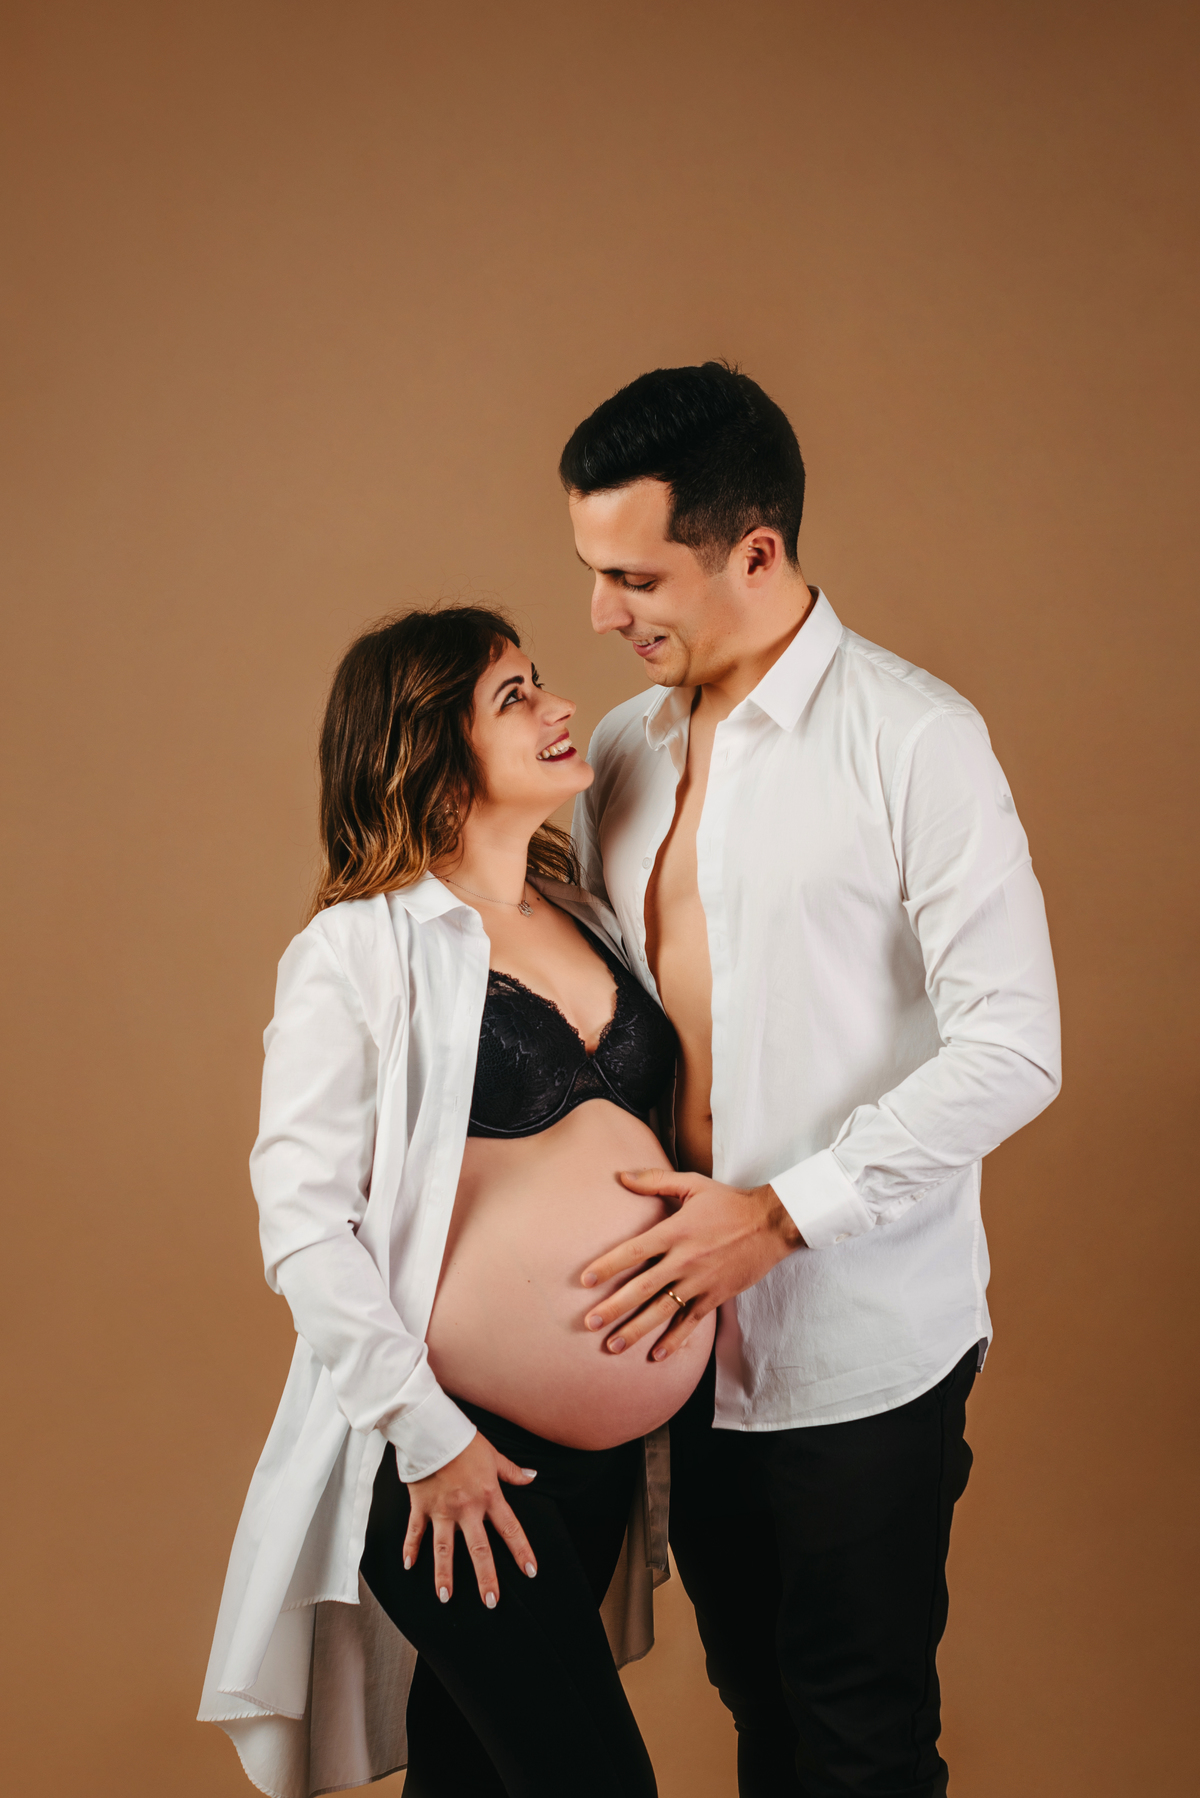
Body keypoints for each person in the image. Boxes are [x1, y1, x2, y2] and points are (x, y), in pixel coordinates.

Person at [562, 362, 1062, 1798]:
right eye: (593, 571)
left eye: (635, 576)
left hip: (860, 1342)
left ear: (757, 551)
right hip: (675, 1353)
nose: (600, 612)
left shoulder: (916, 739)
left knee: (860, 1739)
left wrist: (779, 1216)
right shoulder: (619, 752)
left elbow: (1015, 1045)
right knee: (761, 1717)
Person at [199, 605, 716, 1798]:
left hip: (591, 1466)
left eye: (540, 682)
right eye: (513, 697)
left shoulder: (590, 918)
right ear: (430, 755)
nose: (560, 706)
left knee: (473, 1780)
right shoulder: (356, 950)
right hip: (455, 1457)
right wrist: (430, 1440)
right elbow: (303, 1222)